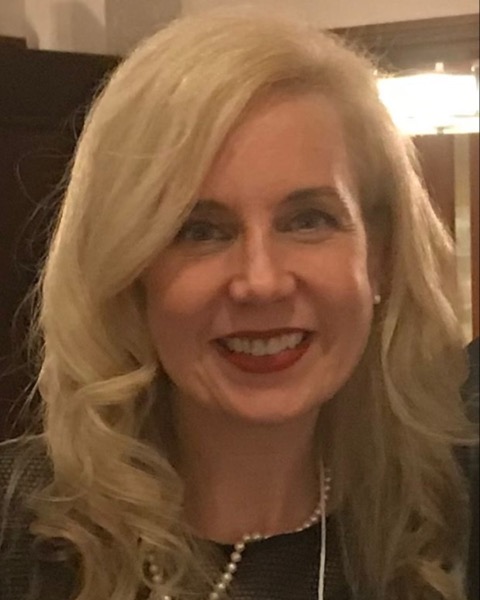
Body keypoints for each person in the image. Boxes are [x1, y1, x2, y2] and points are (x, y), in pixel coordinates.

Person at [0, 9, 477, 600]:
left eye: (308, 220)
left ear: (378, 254)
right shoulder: (18, 533)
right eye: (200, 231)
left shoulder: (446, 524)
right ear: (129, 272)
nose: (261, 282)